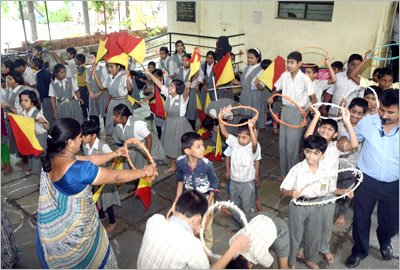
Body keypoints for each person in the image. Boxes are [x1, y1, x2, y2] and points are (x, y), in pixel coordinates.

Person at [36, 118, 155, 269]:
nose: (82, 140)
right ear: (70, 141)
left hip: (61, 228)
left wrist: (114, 154)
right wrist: (144, 171)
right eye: (80, 137)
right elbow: (115, 176)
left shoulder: (54, 157)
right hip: (79, 231)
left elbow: (90, 159)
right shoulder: (79, 169)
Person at [340, 89, 399, 268]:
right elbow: (351, 139)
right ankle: (359, 251)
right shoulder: (368, 122)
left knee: (390, 223)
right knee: (360, 219)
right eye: (381, 110)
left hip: (393, 185)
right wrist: (340, 141)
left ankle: (385, 242)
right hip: (366, 181)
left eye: (390, 112)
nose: (384, 115)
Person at [280, 135, 354, 269]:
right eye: (308, 151)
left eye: (316, 153)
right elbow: (283, 190)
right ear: (304, 151)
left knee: (313, 235)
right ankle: (290, 262)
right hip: (299, 206)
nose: (311, 156)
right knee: (294, 235)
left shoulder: (325, 171)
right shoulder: (297, 169)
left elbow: (330, 189)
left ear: (322, 154)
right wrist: (290, 193)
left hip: (316, 205)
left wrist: (344, 192)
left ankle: (310, 259)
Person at [137, 190, 251, 269]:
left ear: (175, 204)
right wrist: (234, 249)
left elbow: (171, 226)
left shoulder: (154, 221)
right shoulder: (193, 247)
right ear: (197, 219)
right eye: (201, 221)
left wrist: (192, 227)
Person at [303, 105, 359, 265]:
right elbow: (307, 136)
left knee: (326, 222)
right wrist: (316, 116)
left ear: (335, 135)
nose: (325, 130)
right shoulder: (312, 144)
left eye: (330, 129)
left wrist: (347, 121)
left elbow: (354, 145)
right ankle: (303, 245)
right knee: (308, 221)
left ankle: (324, 247)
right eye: (323, 127)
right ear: (318, 129)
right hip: (310, 191)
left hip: (328, 193)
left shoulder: (336, 148)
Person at [268, 51, 316, 180]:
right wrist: (272, 96)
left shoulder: (305, 79)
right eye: (288, 62)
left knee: (292, 147)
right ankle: (284, 173)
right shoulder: (284, 76)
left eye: (292, 63)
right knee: (282, 145)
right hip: (286, 111)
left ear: (299, 64)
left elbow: (314, 98)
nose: (289, 65)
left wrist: (307, 112)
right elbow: (277, 89)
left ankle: (293, 175)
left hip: (298, 112)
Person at [173, 132, 219, 249]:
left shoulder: (207, 165)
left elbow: (214, 183)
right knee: (192, 225)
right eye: (198, 147)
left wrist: (209, 200)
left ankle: (207, 250)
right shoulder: (180, 162)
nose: (203, 149)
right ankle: (195, 247)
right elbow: (180, 179)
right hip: (191, 201)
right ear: (187, 151)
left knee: (206, 227)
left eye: (203, 145)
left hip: (206, 199)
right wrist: (177, 199)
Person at [144, 67, 192, 173]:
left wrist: (187, 87)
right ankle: (173, 166)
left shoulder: (182, 99)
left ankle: (186, 166)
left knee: (181, 146)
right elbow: (159, 84)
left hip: (180, 125)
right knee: (170, 145)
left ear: (178, 89)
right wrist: (150, 75)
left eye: (172, 87)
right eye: (170, 86)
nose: (169, 88)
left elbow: (186, 93)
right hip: (169, 123)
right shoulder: (169, 96)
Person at [219, 112, 261, 233]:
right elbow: (224, 133)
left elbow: (254, 142)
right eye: (239, 137)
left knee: (248, 207)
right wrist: (220, 119)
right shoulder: (235, 143)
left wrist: (251, 128)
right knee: (234, 205)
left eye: (244, 137)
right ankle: (236, 224)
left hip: (247, 183)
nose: (241, 140)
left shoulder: (253, 148)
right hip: (234, 182)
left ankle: (250, 228)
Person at [81, 120, 121, 233]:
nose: (82, 138)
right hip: (93, 177)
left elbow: (115, 157)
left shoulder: (103, 146)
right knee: (96, 198)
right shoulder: (85, 144)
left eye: (84, 135)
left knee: (107, 200)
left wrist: (110, 173)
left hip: (104, 178)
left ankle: (112, 222)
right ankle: (101, 216)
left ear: (94, 136)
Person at [334, 98, 369, 227]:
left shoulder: (365, 129)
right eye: (353, 111)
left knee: (348, 189)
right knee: (333, 186)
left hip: (352, 165)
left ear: (364, 115)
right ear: (348, 110)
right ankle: (330, 204)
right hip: (336, 164)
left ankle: (342, 213)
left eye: (360, 113)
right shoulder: (340, 123)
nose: (355, 116)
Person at [112, 103, 166, 178]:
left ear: (124, 117)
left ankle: (137, 186)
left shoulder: (137, 124)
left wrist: (147, 152)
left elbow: (149, 137)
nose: (113, 118)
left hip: (143, 146)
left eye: (116, 116)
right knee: (132, 166)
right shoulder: (119, 124)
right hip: (132, 146)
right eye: (114, 115)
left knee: (140, 167)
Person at [92, 62, 133, 139]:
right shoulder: (109, 77)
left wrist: (127, 77)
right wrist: (95, 75)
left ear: (118, 67)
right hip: (113, 101)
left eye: (112, 67)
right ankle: (115, 138)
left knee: (123, 121)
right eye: (109, 67)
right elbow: (101, 87)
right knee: (111, 120)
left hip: (123, 101)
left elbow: (130, 89)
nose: (110, 69)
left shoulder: (124, 75)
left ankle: (126, 138)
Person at [232, 48, 266, 129]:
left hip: (254, 96)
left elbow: (261, 88)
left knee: (253, 117)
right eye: (248, 57)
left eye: (252, 58)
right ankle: (245, 134)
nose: (249, 60)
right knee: (244, 116)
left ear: (257, 58)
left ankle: (254, 134)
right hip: (245, 95)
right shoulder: (247, 68)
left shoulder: (261, 71)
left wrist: (257, 84)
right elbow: (246, 82)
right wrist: (238, 82)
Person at [19, 90, 50, 175]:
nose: (23, 103)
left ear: (32, 102)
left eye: (26, 100)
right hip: (32, 136)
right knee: (31, 155)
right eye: (21, 100)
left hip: (40, 138)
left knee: (38, 159)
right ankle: (33, 168)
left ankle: (41, 178)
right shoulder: (24, 112)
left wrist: (43, 122)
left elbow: (48, 127)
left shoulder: (37, 113)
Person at [1, 71, 26, 165]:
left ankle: (29, 162)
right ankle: (24, 158)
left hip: (20, 120)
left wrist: (7, 105)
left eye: (10, 79)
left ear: (17, 81)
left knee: (23, 140)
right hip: (12, 120)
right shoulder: (10, 90)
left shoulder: (21, 92)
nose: (7, 81)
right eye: (7, 79)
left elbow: (21, 111)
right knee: (17, 140)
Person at [174, 53, 200, 130]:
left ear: (190, 61)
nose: (184, 62)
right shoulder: (180, 70)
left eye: (187, 60)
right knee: (183, 109)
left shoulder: (194, 70)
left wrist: (197, 84)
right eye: (183, 60)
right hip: (182, 92)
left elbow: (200, 78)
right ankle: (184, 128)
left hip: (191, 92)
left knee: (191, 110)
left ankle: (192, 129)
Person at [86, 52, 109, 130]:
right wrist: (90, 92)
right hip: (92, 94)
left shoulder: (103, 69)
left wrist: (98, 93)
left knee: (105, 113)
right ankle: (96, 130)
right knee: (93, 113)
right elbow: (88, 82)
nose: (89, 59)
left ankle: (108, 131)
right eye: (89, 57)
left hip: (102, 94)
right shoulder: (88, 70)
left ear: (97, 59)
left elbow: (106, 84)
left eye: (92, 57)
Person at [260, 59, 281, 134]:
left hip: (272, 93)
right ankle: (267, 126)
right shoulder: (263, 74)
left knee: (272, 111)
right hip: (268, 93)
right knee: (268, 111)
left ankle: (270, 126)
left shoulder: (275, 74)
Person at [31, 58, 54, 126]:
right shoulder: (45, 72)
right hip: (50, 96)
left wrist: (40, 99)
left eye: (32, 63)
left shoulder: (39, 75)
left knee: (48, 115)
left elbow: (42, 89)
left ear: (36, 67)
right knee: (51, 113)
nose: (30, 64)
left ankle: (52, 130)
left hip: (46, 97)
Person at [75, 53, 89, 121]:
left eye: (76, 60)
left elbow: (79, 72)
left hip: (84, 87)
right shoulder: (80, 67)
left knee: (85, 103)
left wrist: (76, 71)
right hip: (80, 87)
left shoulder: (82, 67)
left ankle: (87, 116)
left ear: (80, 61)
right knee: (82, 103)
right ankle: (85, 116)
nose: (75, 61)